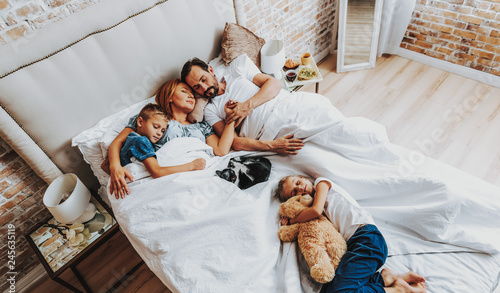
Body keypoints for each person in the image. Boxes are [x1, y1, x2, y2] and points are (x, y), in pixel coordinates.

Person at [275, 174, 427, 293]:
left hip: (369, 240)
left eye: (297, 182)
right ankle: (384, 279)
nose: (300, 188)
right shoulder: (316, 212)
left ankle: (399, 292)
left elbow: (316, 210)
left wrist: (292, 221)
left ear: (304, 177)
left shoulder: (322, 183)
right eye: (294, 193)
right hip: (354, 245)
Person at [181, 55, 344, 153]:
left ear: (211, 70)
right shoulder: (210, 110)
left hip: (286, 105)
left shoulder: (236, 72)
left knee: (333, 122)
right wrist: (271, 146)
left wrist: (245, 107)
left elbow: (274, 84)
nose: (204, 88)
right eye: (197, 87)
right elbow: (235, 143)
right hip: (270, 133)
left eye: (203, 79)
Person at [105, 79, 236, 199]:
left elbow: (221, 150)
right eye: (184, 91)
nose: (191, 95)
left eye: (192, 94)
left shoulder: (202, 126)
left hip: (199, 174)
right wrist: (115, 166)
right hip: (167, 175)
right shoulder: (153, 119)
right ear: (169, 97)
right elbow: (119, 141)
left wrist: (231, 119)